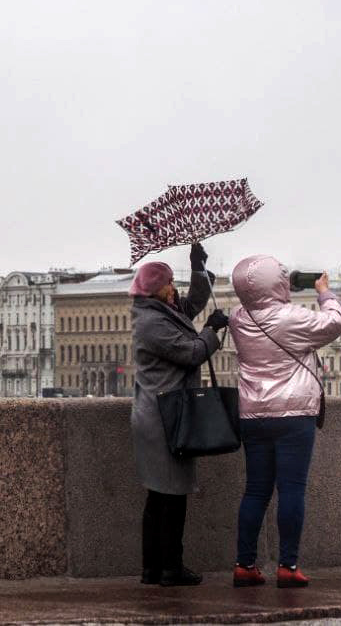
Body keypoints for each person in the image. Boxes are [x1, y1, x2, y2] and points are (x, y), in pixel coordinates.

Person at [227, 254, 341, 588]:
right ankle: (287, 566)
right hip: (294, 415)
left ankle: (244, 564)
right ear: (278, 282)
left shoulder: (239, 317)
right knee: (291, 490)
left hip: (253, 415)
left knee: (255, 491)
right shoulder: (292, 317)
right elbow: (334, 323)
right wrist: (324, 293)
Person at [130, 241, 230, 587]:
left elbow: (192, 304)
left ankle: (153, 569)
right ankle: (169, 569)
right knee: (169, 497)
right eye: (171, 283)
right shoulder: (151, 324)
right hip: (163, 419)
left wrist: (198, 267)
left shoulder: (160, 312)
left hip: (163, 414)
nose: (175, 289)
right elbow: (191, 352)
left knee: (160, 496)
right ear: (157, 289)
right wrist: (213, 330)